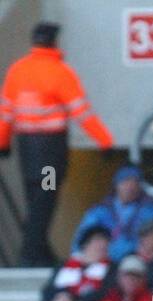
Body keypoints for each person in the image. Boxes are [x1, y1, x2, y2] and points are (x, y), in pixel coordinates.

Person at [0, 21, 113, 266]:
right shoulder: (60, 72)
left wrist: (3, 142)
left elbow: (6, 112)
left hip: (26, 150)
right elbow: (82, 113)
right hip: (49, 152)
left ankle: (40, 252)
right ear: (55, 42)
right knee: (46, 198)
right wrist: (105, 141)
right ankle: (31, 254)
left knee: (35, 200)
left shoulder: (17, 71)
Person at [74, 165, 153, 263]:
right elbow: (81, 240)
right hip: (101, 262)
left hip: (139, 263)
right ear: (116, 184)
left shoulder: (152, 210)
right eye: (125, 181)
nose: (130, 186)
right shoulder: (99, 211)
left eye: (135, 182)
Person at [43, 226, 111, 301]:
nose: (102, 245)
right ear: (86, 244)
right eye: (97, 241)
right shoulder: (65, 265)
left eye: (105, 242)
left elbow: (106, 292)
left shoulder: (111, 268)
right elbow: (50, 289)